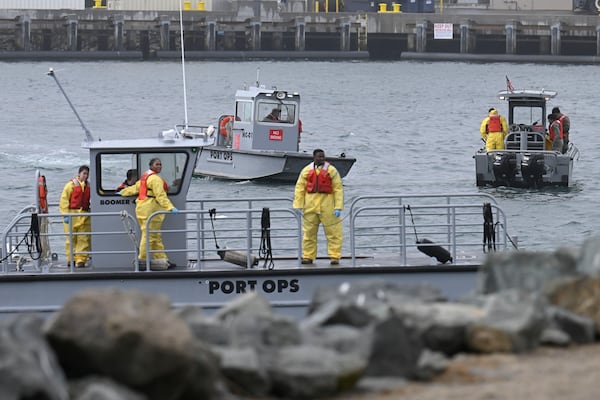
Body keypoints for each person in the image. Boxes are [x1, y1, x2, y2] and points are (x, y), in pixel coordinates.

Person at [120, 158, 178, 271]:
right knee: (149, 235)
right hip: (151, 209)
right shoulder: (155, 179)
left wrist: (122, 192)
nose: (159, 166)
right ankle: (142, 260)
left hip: (142, 208)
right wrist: (170, 207)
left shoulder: (145, 177)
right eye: (157, 164)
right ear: (151, 166)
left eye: (160, 164)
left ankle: (162, 259)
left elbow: (134, 189)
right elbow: (161, 196)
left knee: (154, 235)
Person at [293, 149, 344, 265]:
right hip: (310, 207)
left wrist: (338, 207)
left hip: (328, 206)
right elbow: (299, 189)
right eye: (319, 157)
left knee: (334, 232)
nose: (321, 159)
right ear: (314, 158)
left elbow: (338, 189)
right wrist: (298, 206)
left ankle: (334, 256)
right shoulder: (306, 171)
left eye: (323, 156)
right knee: (309, 233)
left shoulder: (332, 170)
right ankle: (308, 256)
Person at [59, 165, 91, 268]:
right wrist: (65, 215)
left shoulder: (89, 186)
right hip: (72, 215)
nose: (85, 176)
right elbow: (64, 201)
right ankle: (71, 258)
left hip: (84, 216)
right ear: (79, 174)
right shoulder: (70, 185)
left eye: (87, 174)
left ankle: (80, 260)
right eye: (84, 173)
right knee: (70, 239)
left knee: (83, 238)